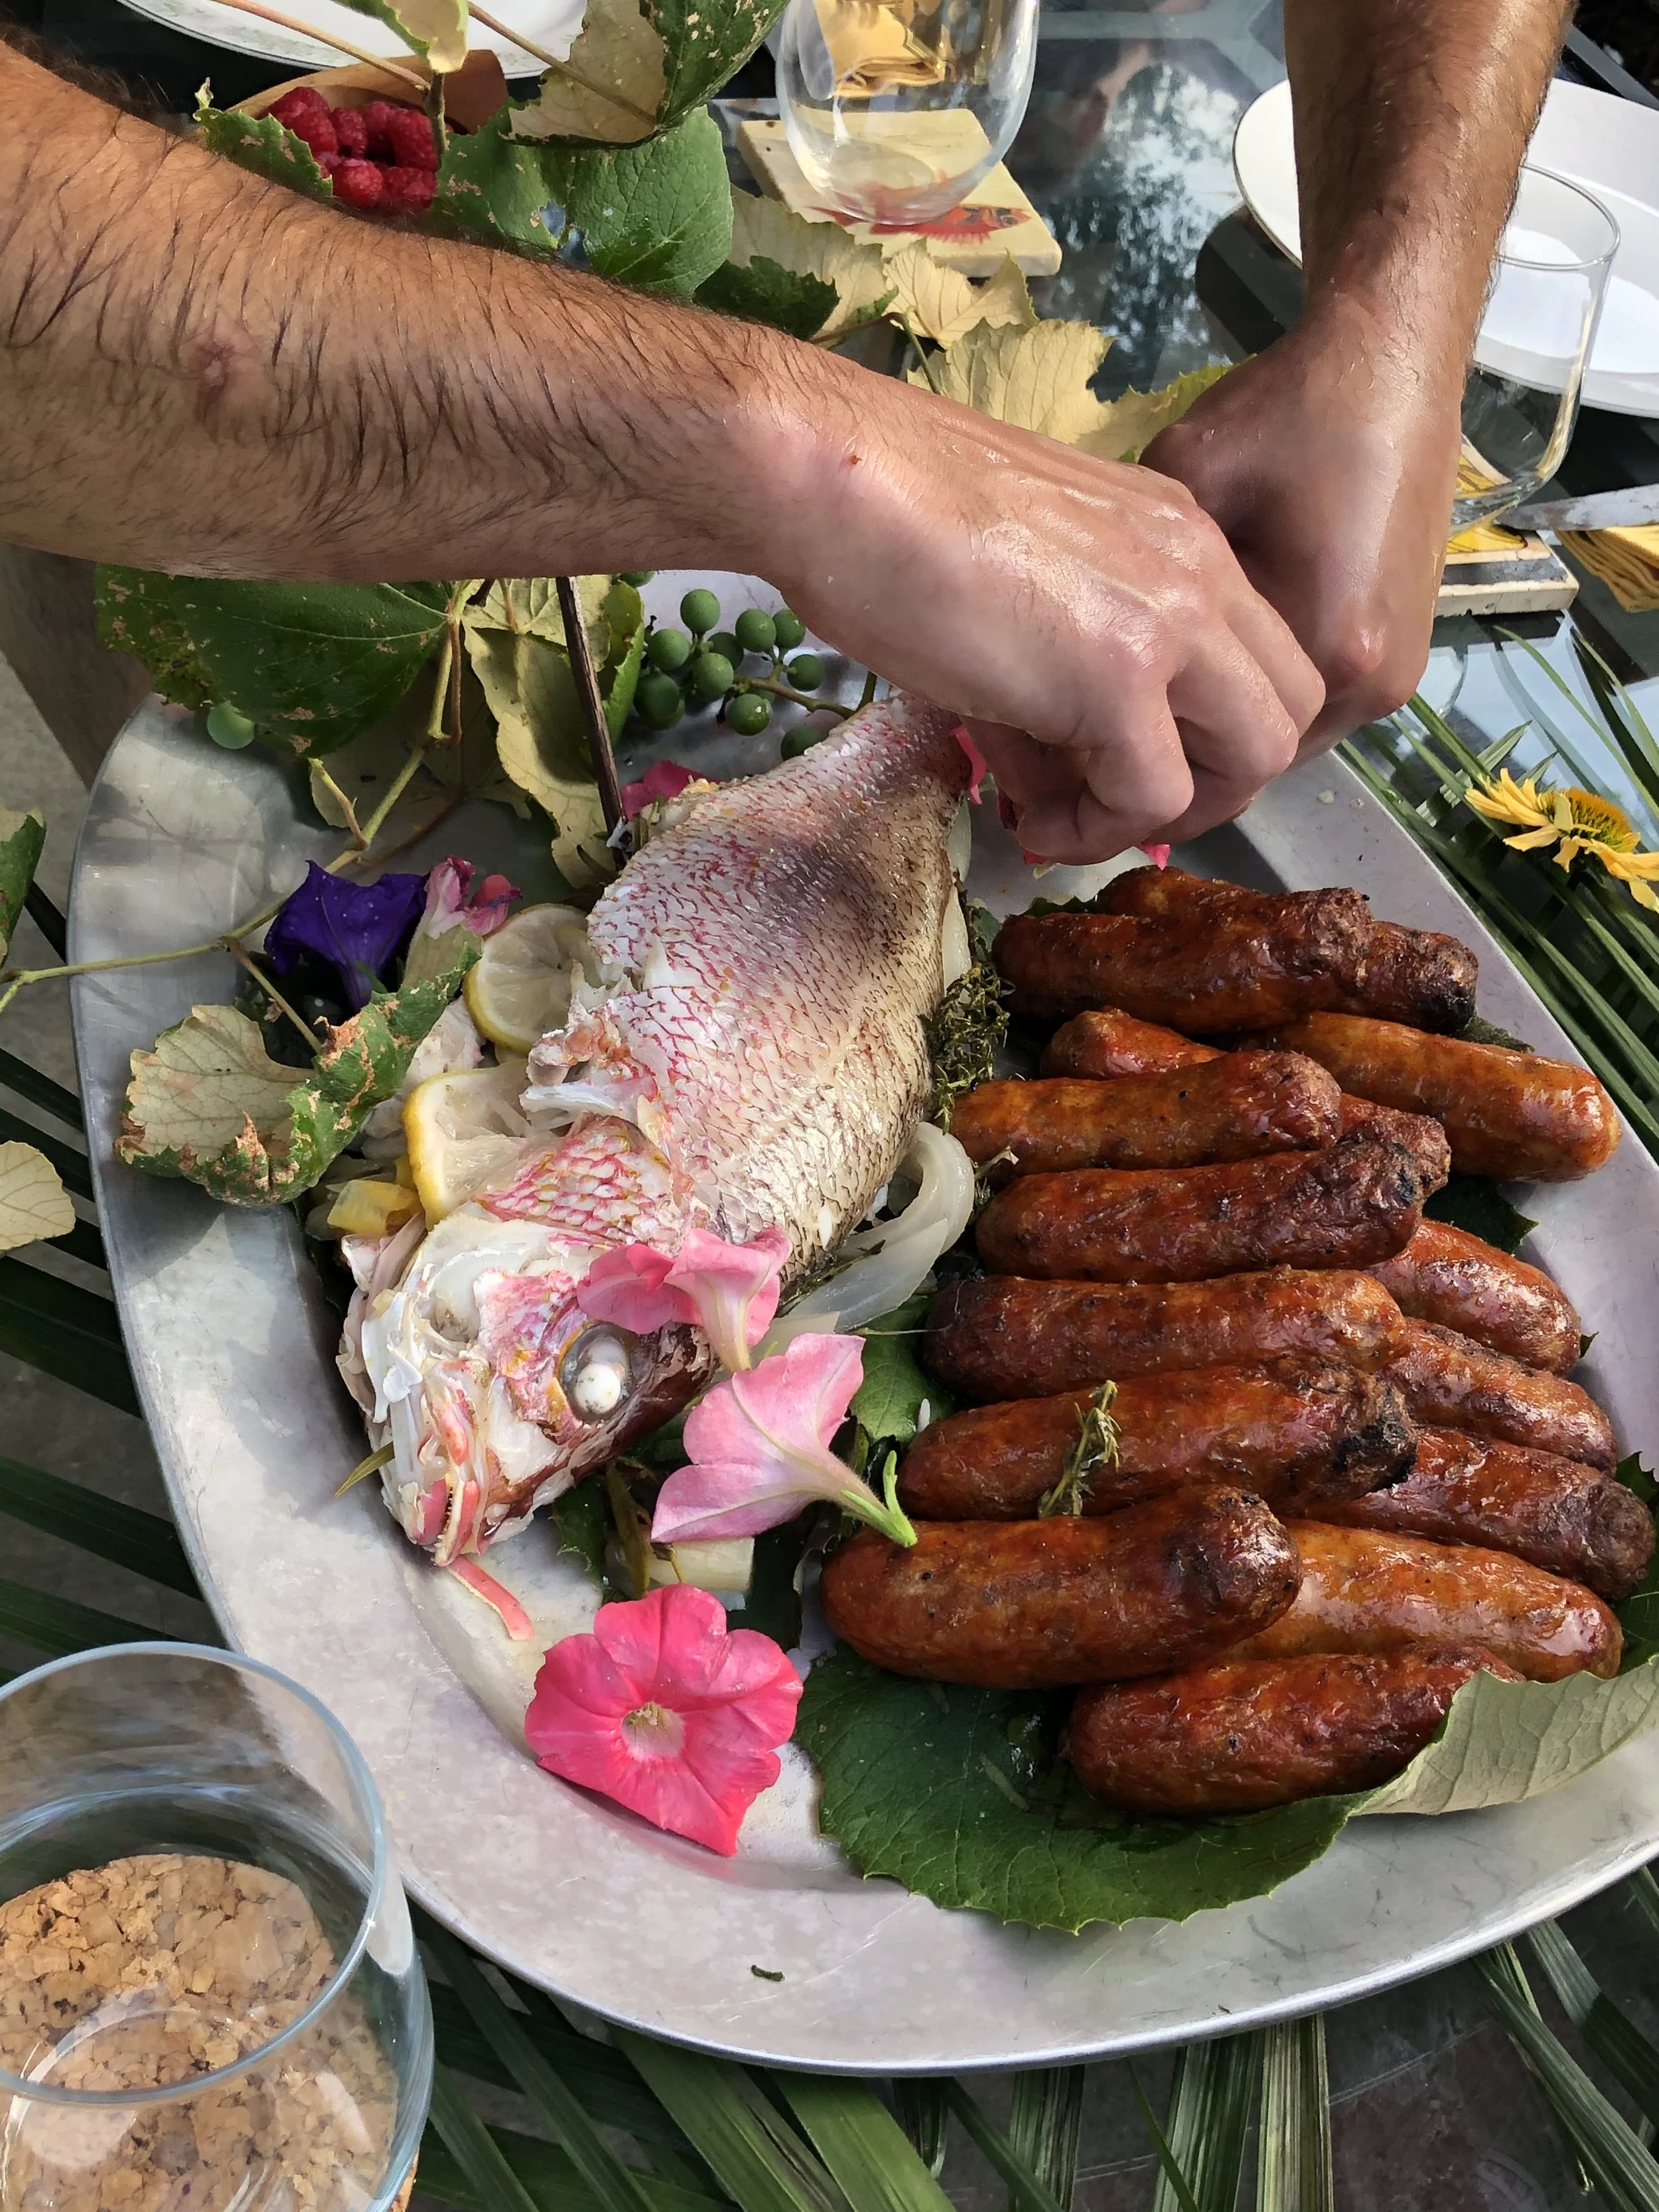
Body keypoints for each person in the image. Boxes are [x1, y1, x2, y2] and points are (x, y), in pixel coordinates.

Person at [0, 0, 1570, 861]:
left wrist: (1392, 320)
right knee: (309, 1040)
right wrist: (785, 448)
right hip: (149, 215)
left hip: (785, 112)